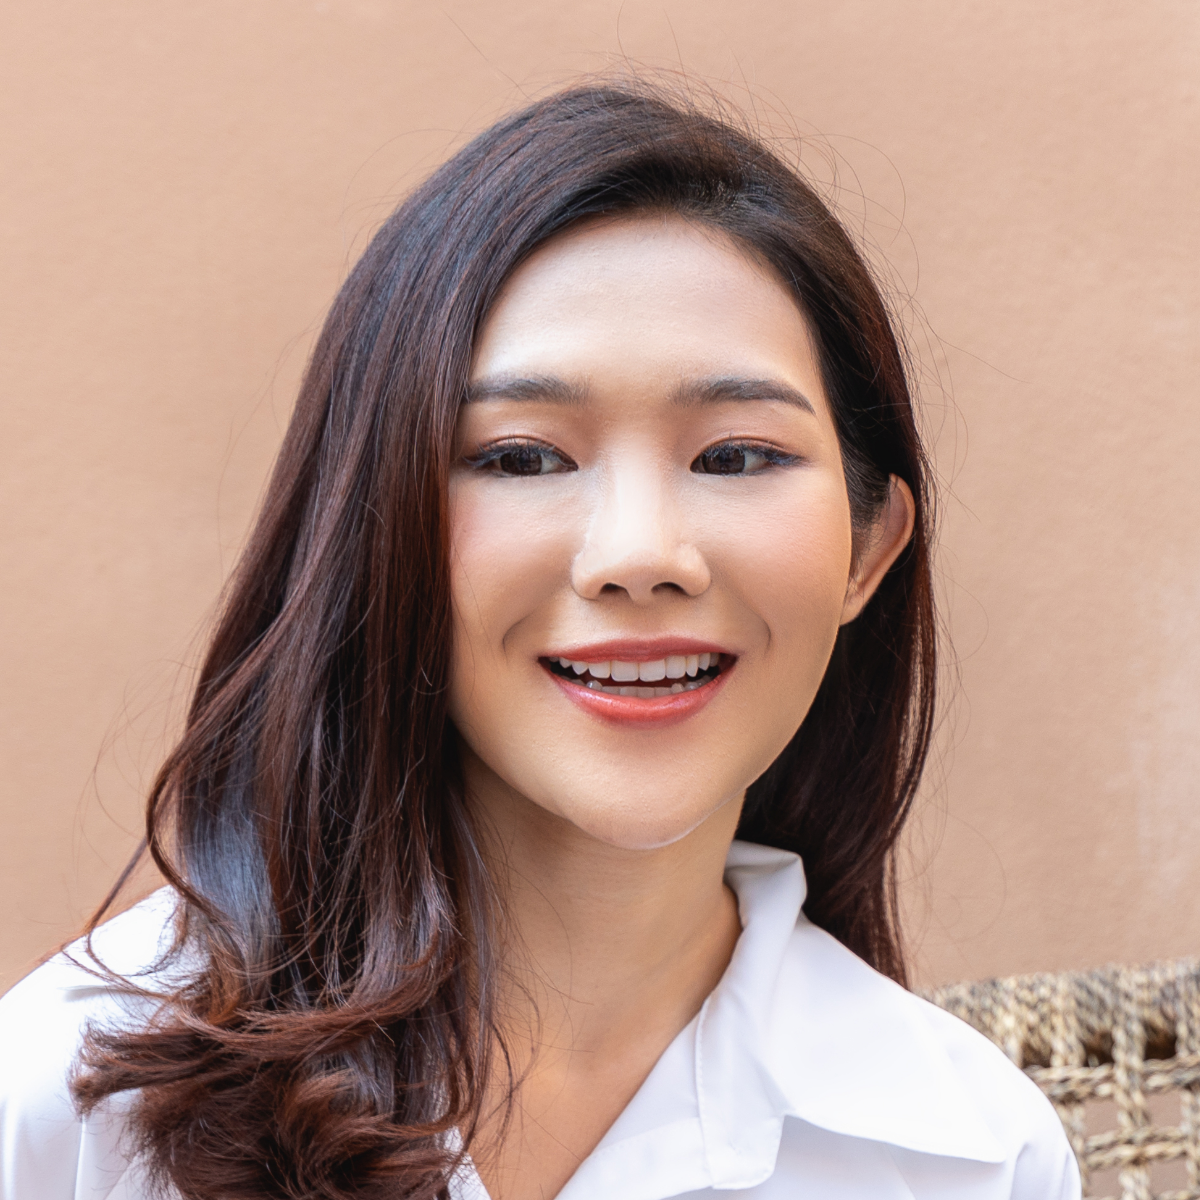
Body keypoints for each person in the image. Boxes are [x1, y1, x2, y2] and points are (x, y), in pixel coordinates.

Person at [0, 82, 1080, 1200]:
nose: (640, 554)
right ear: (379, 527)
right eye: (522, 457)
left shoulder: (973, 1158)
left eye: (738, 455)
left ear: (868, 549)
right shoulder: (76, 1099)